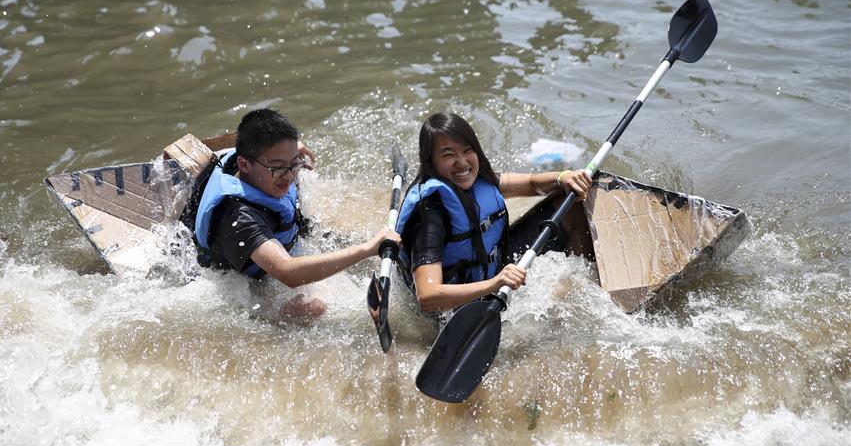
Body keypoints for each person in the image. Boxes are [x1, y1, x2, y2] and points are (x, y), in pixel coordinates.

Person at [189, 108, 400, 323]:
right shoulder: (240, 218)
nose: (289, 175)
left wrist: (288, 155)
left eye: (294, 164)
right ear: (244, 164)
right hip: (246, 284)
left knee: (361, 254)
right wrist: (366, 249)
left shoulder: (261, 165)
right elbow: (288, 272)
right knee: (314, 308)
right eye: (278, 167)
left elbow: (271, 154)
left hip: (283, 238)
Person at [395, 112, 592, 320]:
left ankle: (590, 289)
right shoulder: (429, 216)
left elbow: (533, 183)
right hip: (451, 310)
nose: (462, 163)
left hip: (492, 274)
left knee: (572, 202)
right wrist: (495, 283)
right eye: (448, 155)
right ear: (430, 162)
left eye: (467, 150)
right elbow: (427, 296)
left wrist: (563, 177)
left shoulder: (479, 181)